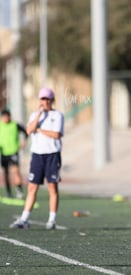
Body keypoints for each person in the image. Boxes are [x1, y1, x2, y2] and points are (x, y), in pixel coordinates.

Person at [10, 87, 64, 230]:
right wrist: (39, 115)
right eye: (42, 99)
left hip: (52, 155)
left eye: (47, 99)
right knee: (32, 187)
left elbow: (56, 134)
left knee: (53, 187)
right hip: (37, 155)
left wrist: (40, 130)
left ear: (52, 100)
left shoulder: (57, 115)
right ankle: (24, 218)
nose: (45, 101)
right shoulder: (35, 115)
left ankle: (52, 220)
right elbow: (28, 130)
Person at [0, 110, 28, 199]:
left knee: (16, 171)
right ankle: (8, 192)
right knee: (6, 173)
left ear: (10, 116)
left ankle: (19, 190)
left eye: (7, 116)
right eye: (4, 117)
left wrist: (24, 142)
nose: (5, 118)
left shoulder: (15, 125)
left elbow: (26, 132)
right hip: (3, 153)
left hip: (13, 152)